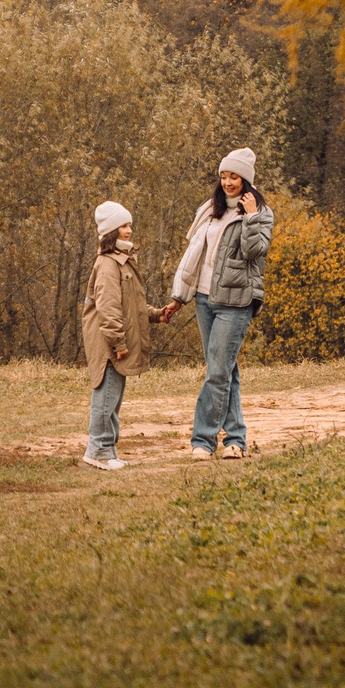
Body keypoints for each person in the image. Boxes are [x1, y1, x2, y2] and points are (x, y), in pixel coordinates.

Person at [159, 147, 273, 460]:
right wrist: (179, 298)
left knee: (218, 373)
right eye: (223, 176)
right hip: (204, 299)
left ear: (246, 180)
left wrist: (249, 217)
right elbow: (193, 256)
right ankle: (235, 440)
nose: (227, 182)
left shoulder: (260, 213)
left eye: (234, 176)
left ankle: (202, 441)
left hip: (236, 302)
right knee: (224, 370)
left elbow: (254, 251)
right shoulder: (209, 209)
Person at [81, 200, 157, 471]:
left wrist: (157, 314)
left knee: (113, 397)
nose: (129, 231)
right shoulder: (107, 265)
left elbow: (131, 305)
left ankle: (107, 449)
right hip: (108, 343)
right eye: (124, 226)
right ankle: (98, 451)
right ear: (112, 231)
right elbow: (108, 307)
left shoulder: (123, 261)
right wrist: (118, 343)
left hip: (115, 340)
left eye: (130, 225)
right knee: (106, 395)